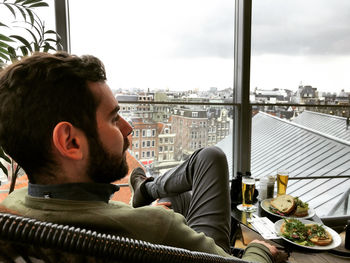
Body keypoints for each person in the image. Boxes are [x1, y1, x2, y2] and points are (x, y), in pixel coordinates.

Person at [0, 52, 281, 263]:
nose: (127, 127)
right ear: (71, 142)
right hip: (202, 252)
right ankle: (146, 189)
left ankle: (145, 190)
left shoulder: (13, 217)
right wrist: (260, 249)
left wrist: (148, 215)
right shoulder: (157, 228)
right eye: (113, 118)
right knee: (211, 158)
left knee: (183, 193)